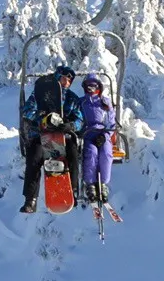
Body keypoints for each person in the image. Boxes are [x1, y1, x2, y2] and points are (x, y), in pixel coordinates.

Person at [17, 65, 83, 214]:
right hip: (41, 135)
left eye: (70, 80)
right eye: (64, 78)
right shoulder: (39, 95)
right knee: (34, 158)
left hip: (63, 136)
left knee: (72, 154)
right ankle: (30, 199)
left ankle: (73, 191)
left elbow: (80, 120)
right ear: (57, 78)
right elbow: (27, 111)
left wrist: (70, 125)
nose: (67, 82)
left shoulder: (72, 99)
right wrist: (42, 119)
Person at [77, 72, 118, 205]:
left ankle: (103, 184)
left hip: (103, 133)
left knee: (106, 153)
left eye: (94, 86)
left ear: (99, 87)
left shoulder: (104, 102)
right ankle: (90, 184)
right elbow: (78, 119)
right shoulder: (82, 102)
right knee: (91, 153)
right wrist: (81, 132)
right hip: (88, 134)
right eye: (88, 86)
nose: (91, 88)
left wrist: (106, 134)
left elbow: (111, 121)